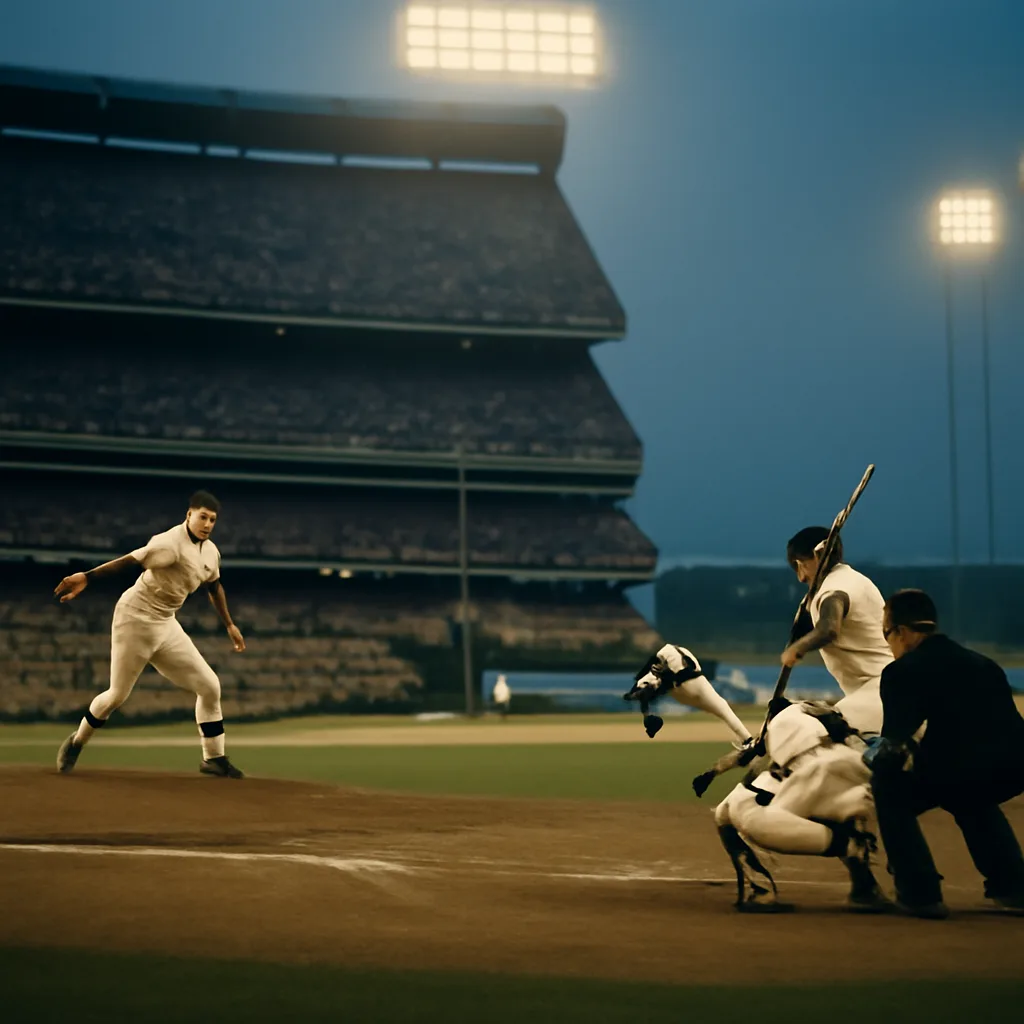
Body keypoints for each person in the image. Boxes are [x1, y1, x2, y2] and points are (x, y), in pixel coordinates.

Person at [53, 490, 246, 778]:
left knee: (210, 686)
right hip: (135, 619)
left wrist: (229, 624)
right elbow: (131, 561)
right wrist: (88, 577)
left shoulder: (210, 552)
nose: (207, 524)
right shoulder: (169, 544)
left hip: (166, 623)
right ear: (189, 515)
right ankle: (77, 741)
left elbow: (214, 587)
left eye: (212, 520)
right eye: (202, 517)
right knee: (116, 695)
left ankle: (213, 759)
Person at [867, 589, 1024, 918]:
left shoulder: (901, 672)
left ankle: (919, 893)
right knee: (971, 798)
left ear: (903, 633)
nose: (888, 644)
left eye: (886, 634)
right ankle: (1013, 887)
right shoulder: (984, 663)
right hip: (1013, 767)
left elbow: (893, 747)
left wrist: (863, 750)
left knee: (889, 788)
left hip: (960, 766)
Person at [714, 698, 887, 914]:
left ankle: (761, 892)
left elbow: (748, 759)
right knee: (847, 825)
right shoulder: (823, 732)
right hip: (780, 815)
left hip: (754, 809)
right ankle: (864, 888)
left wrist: (715, 770)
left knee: (725, 813)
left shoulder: (779, 744)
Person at [780, 526, 892, 735]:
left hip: (880, 692)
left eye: (801, 566)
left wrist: (797, 648)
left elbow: (829, 629)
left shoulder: (835, 589)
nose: (801, 578)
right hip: (874, 692)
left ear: (815, 558)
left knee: (804, 736)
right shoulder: (852, 580)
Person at [625, 644, 752, 745]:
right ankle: (748, 741)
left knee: (652, 685)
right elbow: (690, 669)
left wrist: (646, 715)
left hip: (681, 688)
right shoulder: (670, 653)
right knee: (723, 709)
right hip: (694, 684)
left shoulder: (660, 662)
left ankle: (748, 741)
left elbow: (634, 694)